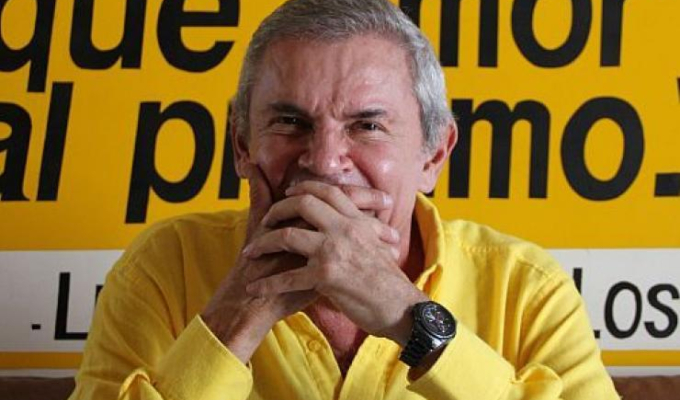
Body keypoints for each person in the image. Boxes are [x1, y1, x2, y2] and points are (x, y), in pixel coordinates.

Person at [69, 0, 620, 399]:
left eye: (367, 126)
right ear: (241, 145)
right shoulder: (164, 267)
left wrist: (410, 319)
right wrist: (241, 312)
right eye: (291, 122)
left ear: (433, 155)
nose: (325, 161)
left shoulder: (526, 289)